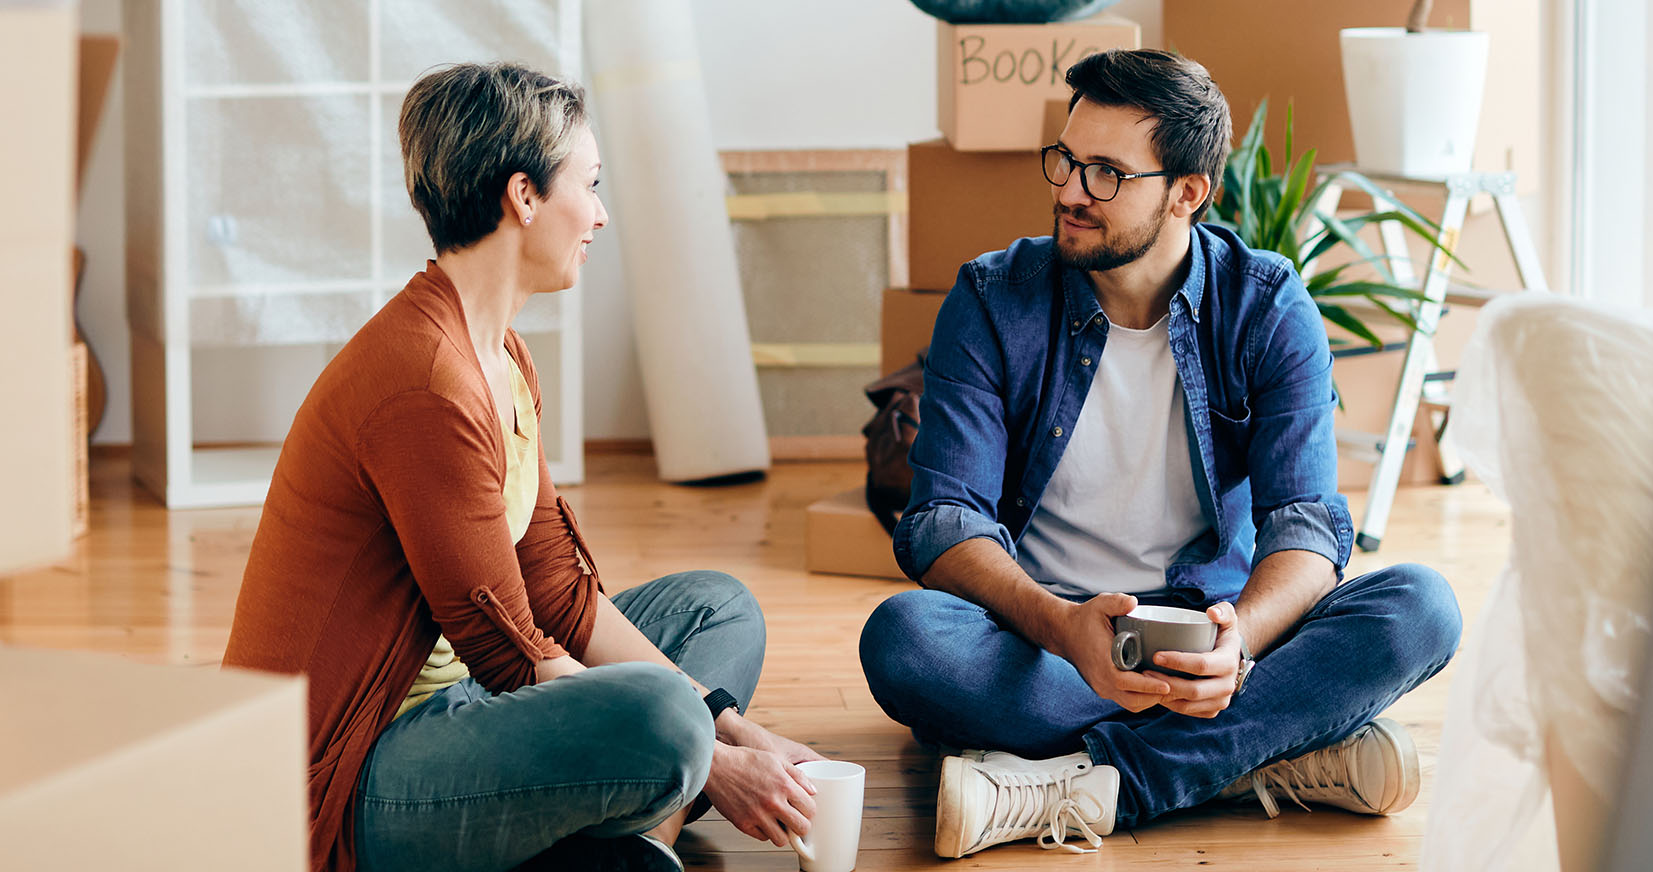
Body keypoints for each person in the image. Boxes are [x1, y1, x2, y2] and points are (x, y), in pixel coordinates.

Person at [857, 49, 1463, 859]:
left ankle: (1089, 784)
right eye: (1066, 160)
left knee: (1422, 606)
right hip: (1047, 641)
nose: (1070, 190)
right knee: (905, 638)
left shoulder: (1268, 304)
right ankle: (1263, 752)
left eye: (1106, 173)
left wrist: (1238, 645)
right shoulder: (993, 297)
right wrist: (1067, 627)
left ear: (1188, 192)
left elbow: (1308, 526)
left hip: (1205, 631)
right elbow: (941, 521)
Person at [223, 63, 822, 872]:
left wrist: (730, 726)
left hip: (473, 705)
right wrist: (714, 757)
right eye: (591, 183)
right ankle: (636, 821)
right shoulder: (426, 380)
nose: (602, 214)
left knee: (719, 611)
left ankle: (631, 827)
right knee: (666, 722)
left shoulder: (500, 353)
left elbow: (558, 594)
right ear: (524, 196)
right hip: (353, 773)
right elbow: (514, 654)